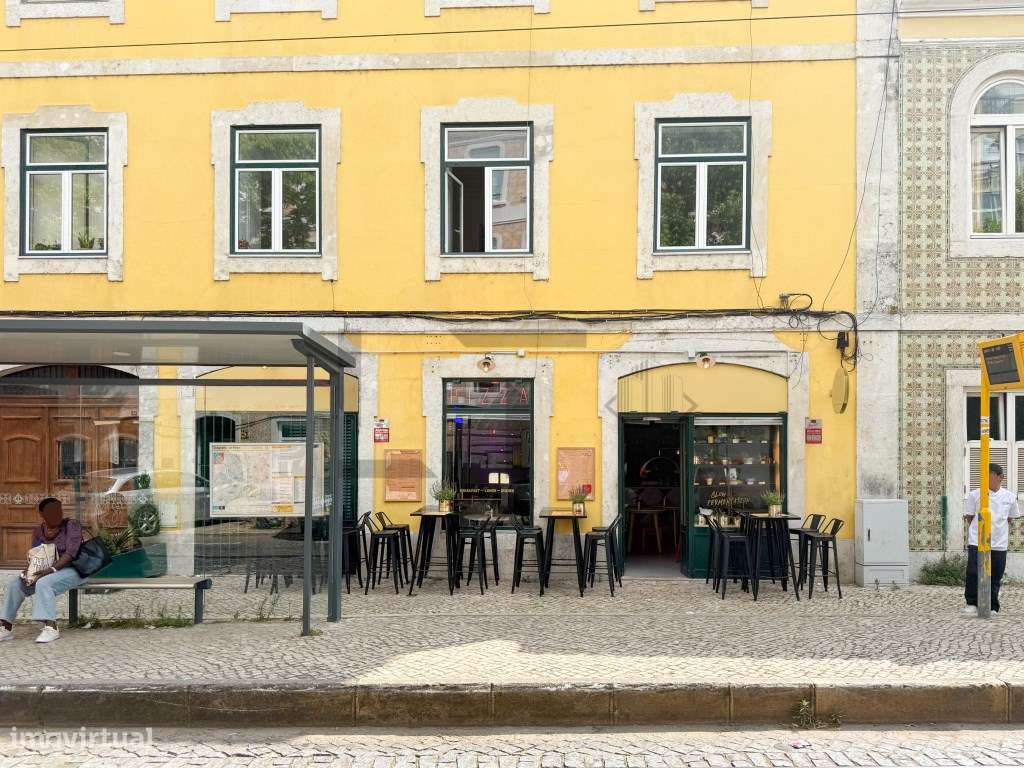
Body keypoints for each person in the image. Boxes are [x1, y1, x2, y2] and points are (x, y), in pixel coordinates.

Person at [0, 497, 84, 643]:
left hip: (75, 569)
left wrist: (50, 570)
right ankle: (5, 627)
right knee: (16, 584)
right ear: (42, 514)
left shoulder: (72, 525)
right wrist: (28, 572)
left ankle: (51, 627)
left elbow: (71, 554)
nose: (56, 515)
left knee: (44, 583)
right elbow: (36, 555)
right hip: (48, 571)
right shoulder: (39, 531)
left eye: (58, 511)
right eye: (51, 512)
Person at [963, 463, 1021, 616]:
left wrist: (997, 529)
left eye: (988, 475)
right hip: (977, 540)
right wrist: (979, 531)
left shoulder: (1009, 497)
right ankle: (971, 603)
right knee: (973, 572)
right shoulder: (974, 495)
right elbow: (969, 517)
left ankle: (992, 605)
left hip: (999, 542)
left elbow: (1010, 518)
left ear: (1000, 477)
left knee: (995, 574)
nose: (984, 478)